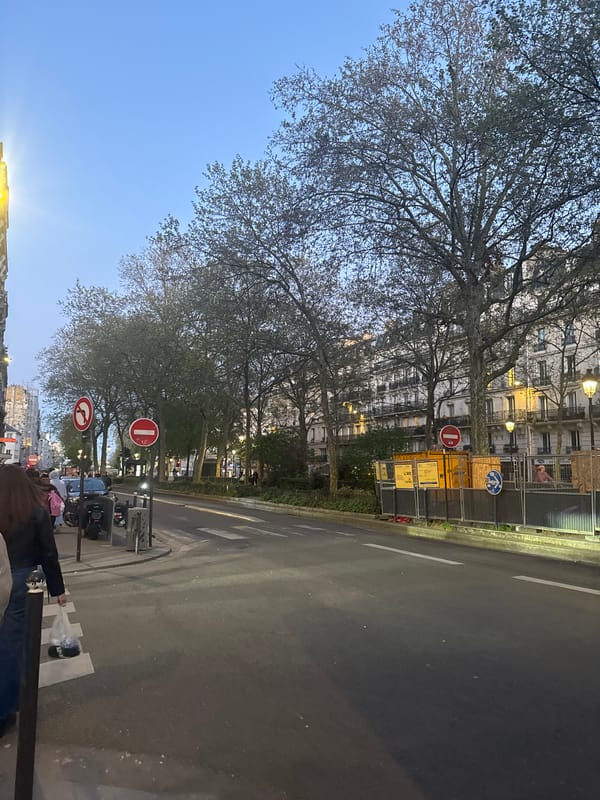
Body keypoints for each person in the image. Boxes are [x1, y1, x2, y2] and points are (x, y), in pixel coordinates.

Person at [0, 464, 67, 737]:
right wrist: (57, 589)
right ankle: (7, 707)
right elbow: (48, 553)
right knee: (13, 646)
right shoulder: (35, 511)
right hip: (22, 582)